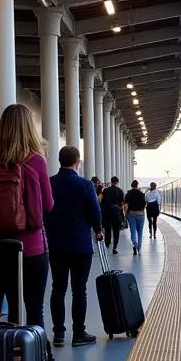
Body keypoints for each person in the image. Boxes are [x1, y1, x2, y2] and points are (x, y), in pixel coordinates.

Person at [0, 103, 68, 361]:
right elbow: (48, 204)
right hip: (32, 249)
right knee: (34, 307)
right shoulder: (35, 160)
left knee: (12, 307)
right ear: (29, 128)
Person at [46, 146, 103, 347]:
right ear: (77, 162)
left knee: (58, 289)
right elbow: (95, 212)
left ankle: (59, 334)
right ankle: (79, 333)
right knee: (79, 290)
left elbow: (44, 209)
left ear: (60, 161)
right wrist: (98, 229)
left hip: (56, 244)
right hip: (80, 246)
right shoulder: (85, 185)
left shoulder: (50, 183)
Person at [100, 175, 125, 254]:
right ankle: (114, 248)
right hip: (116, 213)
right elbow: (122, 203)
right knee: (116, 231)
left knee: (107, 230)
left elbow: (101, 201)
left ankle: (107, 244)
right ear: (117, 182)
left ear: (111, 182)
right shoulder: (120, 191)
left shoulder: (105, 191)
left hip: (107, 213)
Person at [124, 180, 147, 255]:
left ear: (131, 186)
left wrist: (125, 214)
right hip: (140, 214)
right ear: (137, 185)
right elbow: (145, 204)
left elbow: (126, 205)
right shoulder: (142, 194)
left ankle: (135, 244)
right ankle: (139, 248)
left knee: (133, 230)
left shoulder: (128, 194)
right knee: (140, 232)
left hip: (131, 214)